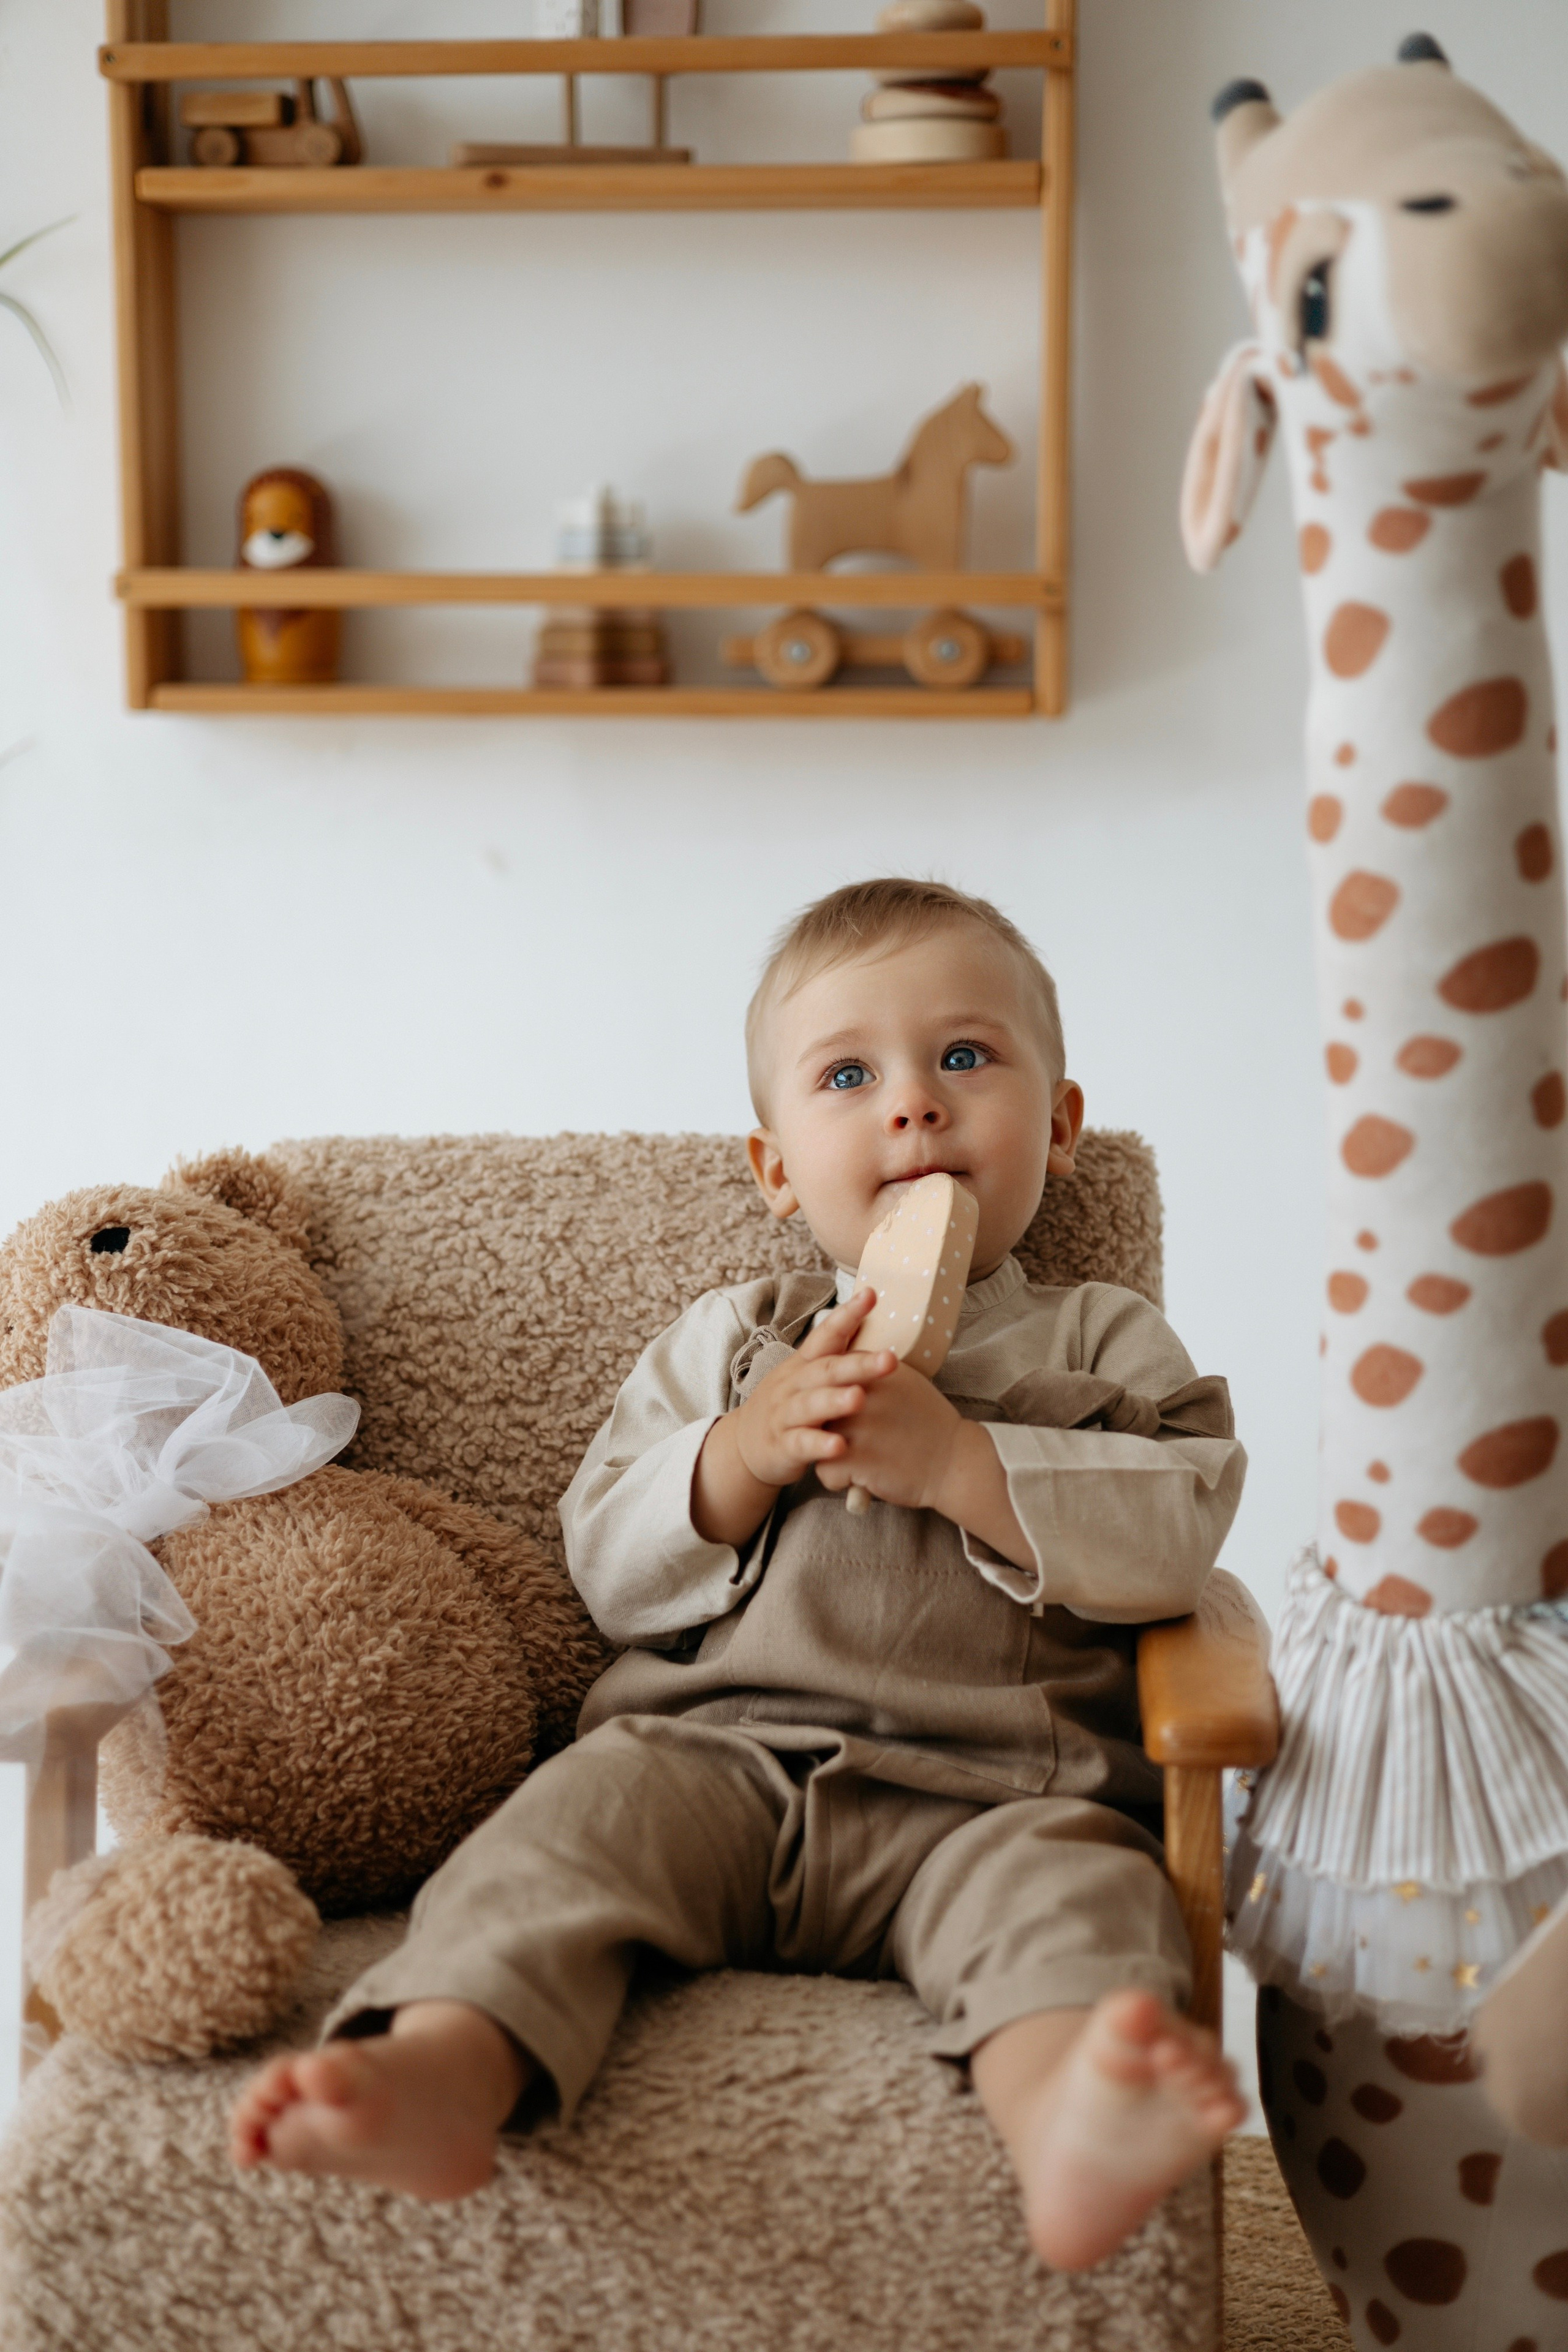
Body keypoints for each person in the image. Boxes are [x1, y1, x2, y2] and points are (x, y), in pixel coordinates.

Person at [230, 877, 1249, 2272]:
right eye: (849, 1074)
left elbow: (1181, 1532)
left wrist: (963, 1466)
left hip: (1000, 1797)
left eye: (965, 1056)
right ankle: (444, 2069)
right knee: (565, 1830)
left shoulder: (1106, 1339)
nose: (914, 1104)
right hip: (715, 1769)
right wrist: (740, 1454)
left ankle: (1069, 2119)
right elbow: (603, 1557)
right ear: (776, 1168)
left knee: (1081, 1904)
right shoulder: (731, 1340)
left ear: (1057, 1128)